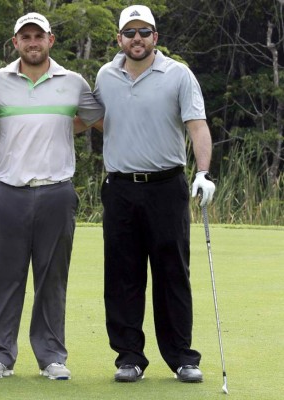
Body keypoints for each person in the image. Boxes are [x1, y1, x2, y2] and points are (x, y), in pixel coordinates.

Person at [92, 4, 216, 383]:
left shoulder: (178, 74)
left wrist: (204, 172)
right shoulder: (105, 75)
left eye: (144, 32)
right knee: (122, 275)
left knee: (172, 272)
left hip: (167, 186)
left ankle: (182, 356)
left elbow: (196, 125)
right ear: (119, 39)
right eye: (129, 33)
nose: (137, 39)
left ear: (155, 37)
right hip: (120, 188)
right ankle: (129, 356)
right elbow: (96, 118)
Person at [0, 12, 103, 380]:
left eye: (39, 36)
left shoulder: (73, 82)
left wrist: (63, 129)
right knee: (5, 277)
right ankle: (1, 355)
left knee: (52, 278)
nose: (32, 42)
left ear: (50, 40)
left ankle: (51, 357)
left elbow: (94, 119)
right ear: (15, 43)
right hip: (10, 193)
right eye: (25, 37)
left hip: (57, 192)